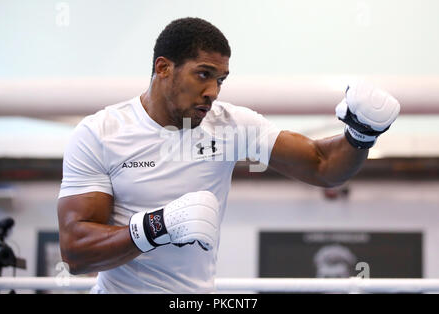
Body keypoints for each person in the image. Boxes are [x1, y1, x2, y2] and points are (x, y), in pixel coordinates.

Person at [57, 17, 400, 293]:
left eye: (221, 80)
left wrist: (360, 135)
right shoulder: (100, 133)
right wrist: (156, 226)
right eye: (203, 74)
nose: (212, 92)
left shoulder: (230, 125)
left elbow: (322, 165)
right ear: (163, 68)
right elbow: (76, 252)